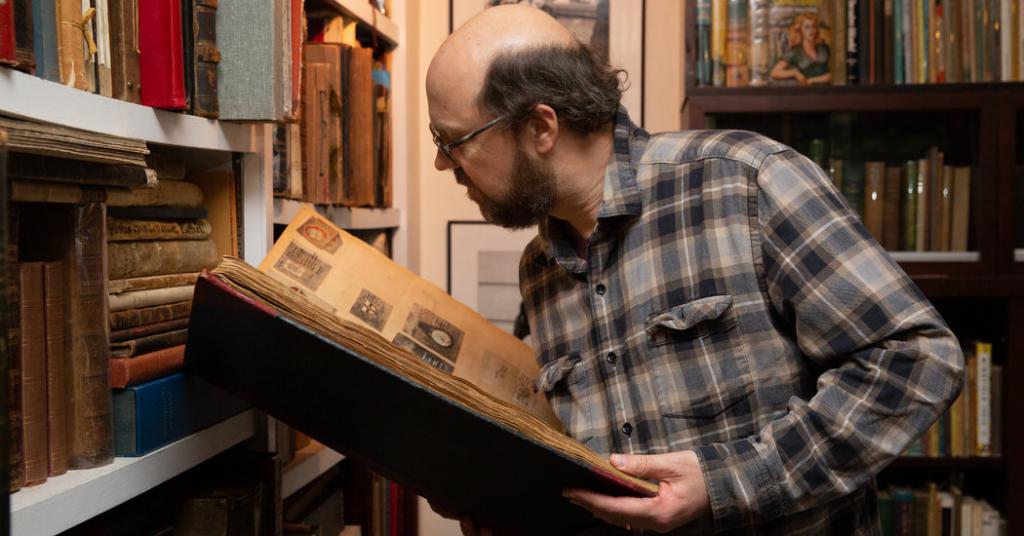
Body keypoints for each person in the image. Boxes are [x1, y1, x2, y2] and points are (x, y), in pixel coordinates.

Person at [425, 5, 963, 534]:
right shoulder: (538, 269)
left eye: (452, 141)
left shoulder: (745, 181)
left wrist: (725, 483)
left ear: (540, 126)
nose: (443, 163)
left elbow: (917, 359)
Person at [768, 13, 832, 86]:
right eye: (807, 27)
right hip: (806, 90)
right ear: (800, 30)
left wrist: (811, 80)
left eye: (813, 27)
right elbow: (774, 73)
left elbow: (835, 74)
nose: (811, 31)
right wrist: (794, 72)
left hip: (827, 88)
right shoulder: (795, 52)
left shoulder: (824, 49)